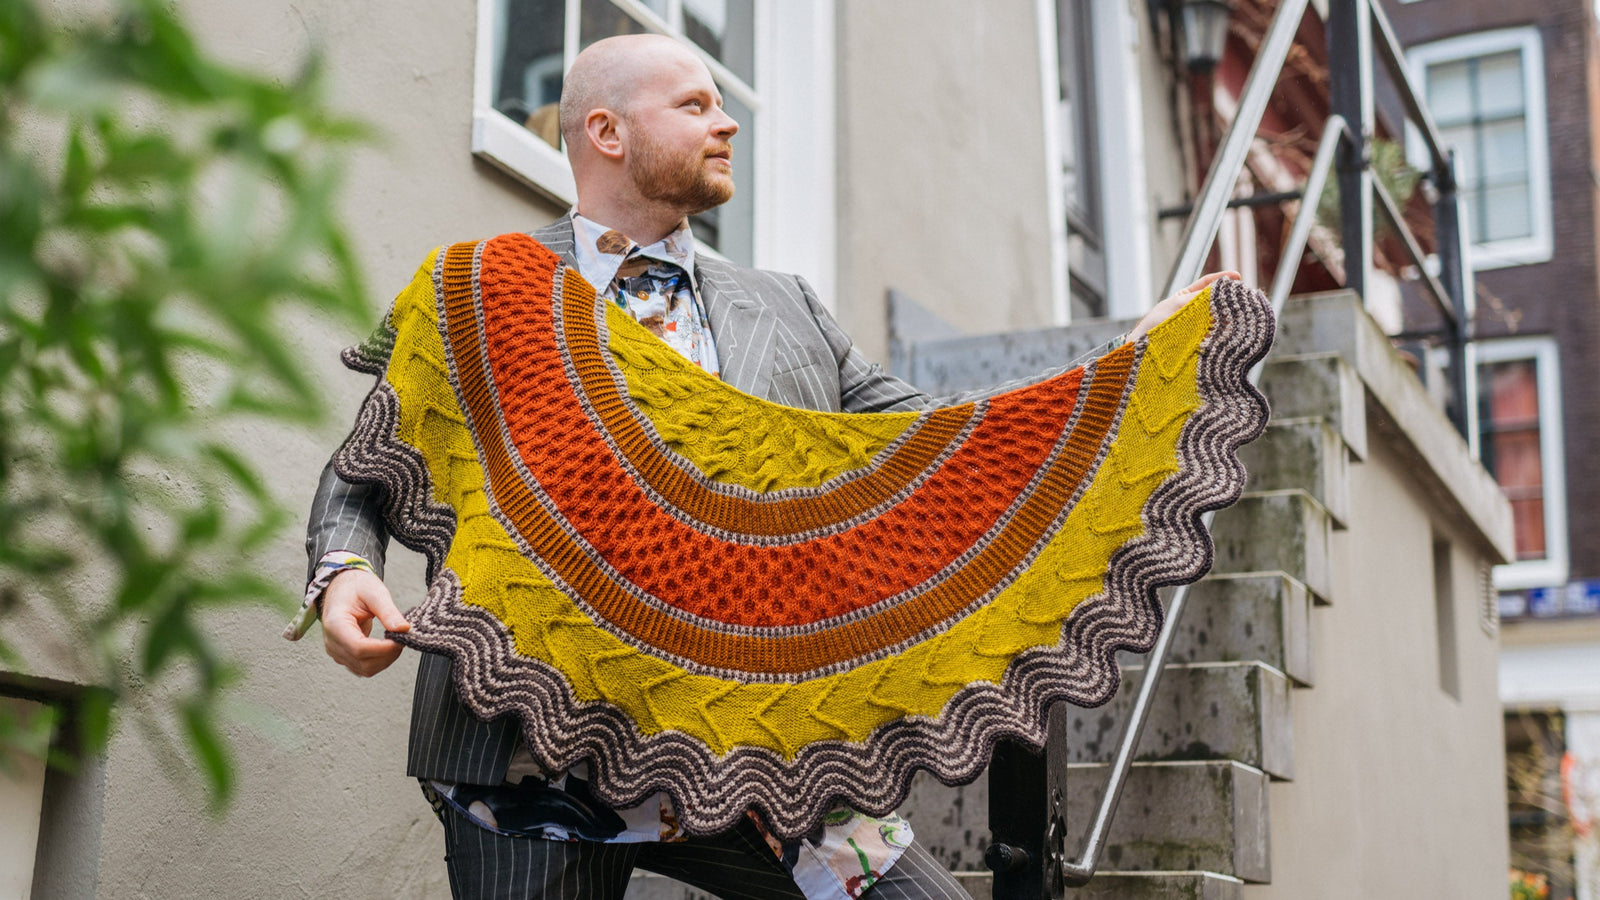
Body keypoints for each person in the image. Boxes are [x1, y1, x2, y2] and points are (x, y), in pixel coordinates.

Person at [292, 32, 1235, 900]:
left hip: (763, 743)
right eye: (695, 104)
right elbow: (369, 465)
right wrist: (345, 573)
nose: (728, 119)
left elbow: (942, 439)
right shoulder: (483, 286)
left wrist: (1125, 360)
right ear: (607, 131)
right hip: (528, 748)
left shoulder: (790, 308)